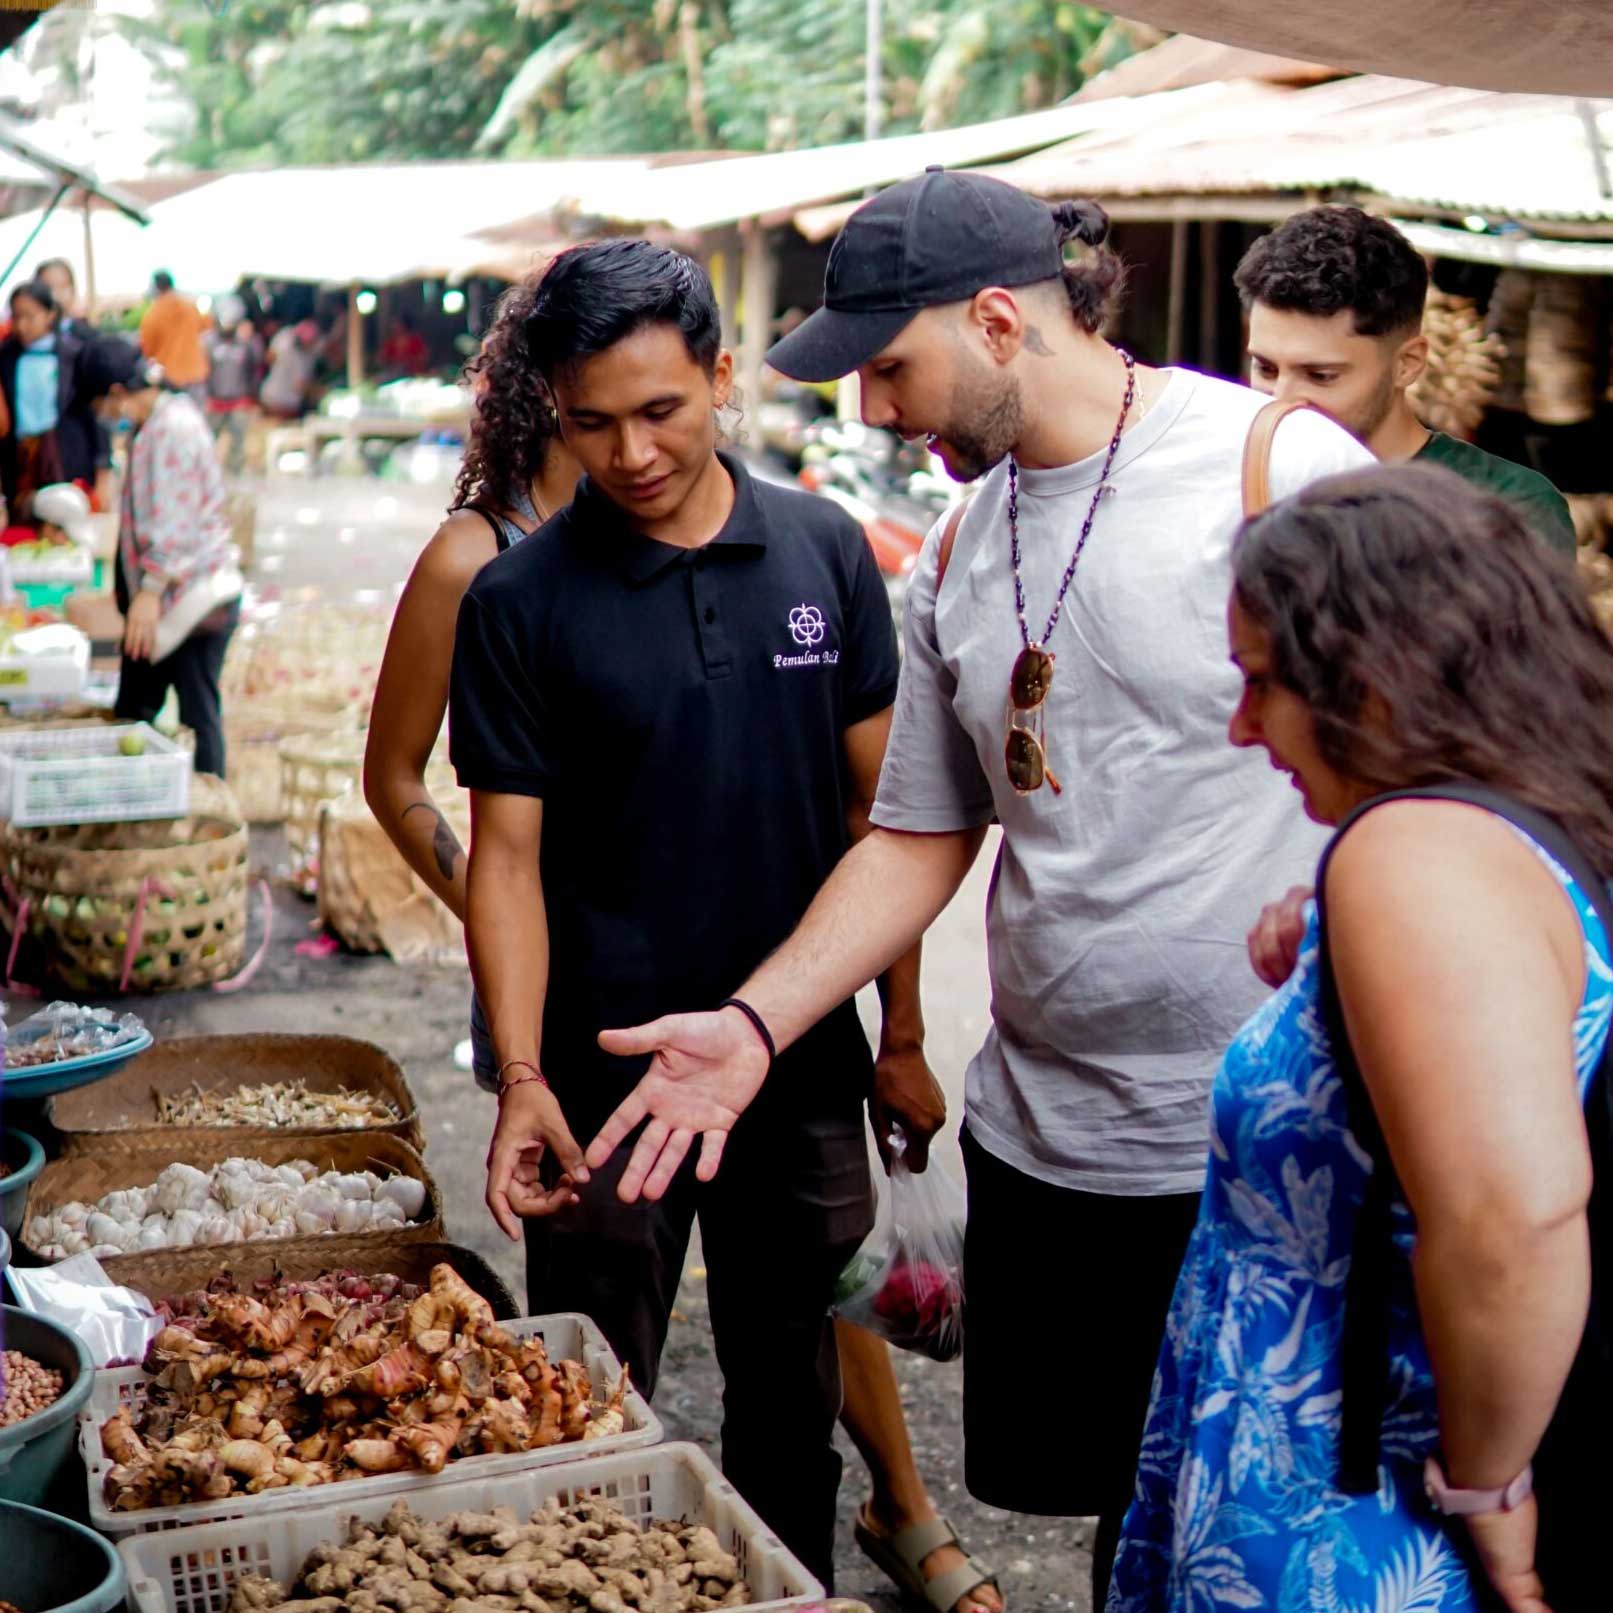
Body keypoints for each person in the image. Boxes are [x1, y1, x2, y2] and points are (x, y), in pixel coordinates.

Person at [574, 169, 1373, 1604]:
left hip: (1262, 1144)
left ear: (999, 320)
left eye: (891, 367)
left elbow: (1430, 766)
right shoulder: (955, 547)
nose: (874, 410)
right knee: (1118, 1522)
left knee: (1283, 1533)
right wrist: (752, 1029)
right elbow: (916, 835)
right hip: (1051, 1146)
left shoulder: (1279, 470)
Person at [446, 239, 998, 1609]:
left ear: (721, 375)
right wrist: (522, 1077)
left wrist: (902, 1034)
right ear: (550, 412)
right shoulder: (519, 601)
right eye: (590, 424)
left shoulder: (823, 551)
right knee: (589, 1401)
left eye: (661, 411)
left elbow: (895, 823)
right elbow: (503, 863)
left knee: (788, 1397)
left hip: (798, 1065)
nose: (629, 453)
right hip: (607, 1083)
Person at [1108, 463, 1609, 1611]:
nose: (1242, 726)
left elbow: (1508, 1220)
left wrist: (1489, 1492)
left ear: (1376, 682)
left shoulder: (1414, 852)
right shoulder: (1523, 816)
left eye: (1263, 683)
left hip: (1360, 1503)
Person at [1236, 204, 1577, 555]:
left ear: (1407, 365)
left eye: (1320, 376)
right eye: (1266, 368)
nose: (1283, 398)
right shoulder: (1229, 484)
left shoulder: (1505, 507)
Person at [80, 339, 241, 776]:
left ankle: (211, 817)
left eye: (100, 403)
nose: (103, 414)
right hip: (172, 597)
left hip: (191, 598)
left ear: (116, 392)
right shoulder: (155, 422)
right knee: (141, 707)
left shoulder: (170, 429)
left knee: (196, 716)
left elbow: (175, 523)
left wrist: (149, 593)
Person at [0, 280, 97, 522]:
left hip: (63, 455)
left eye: (30, 317)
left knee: (64, 520)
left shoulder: (73, 355)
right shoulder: (6, 357)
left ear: (50, 314)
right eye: (17, 317)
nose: (22, 326)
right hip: (22, 460)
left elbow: (92, 414)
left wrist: (102, 468)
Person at [138, 270, 210, 402]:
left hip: (170, 378)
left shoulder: (153, 314)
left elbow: (147, 349)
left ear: (156, 287)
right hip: (196, 373)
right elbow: (206, 325)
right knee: (197, 419)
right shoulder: (190, 306)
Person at [204, 320, 263, 474]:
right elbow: (206, 371)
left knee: (238, 438)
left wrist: (251, 395)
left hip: (239, 399)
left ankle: (235, 470)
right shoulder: (210, 344)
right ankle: (207, 470)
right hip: (216, 399)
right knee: (209, 437)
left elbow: (252, 370)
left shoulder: (244, 346)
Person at [259, 320, 320, 419]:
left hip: (268, 396)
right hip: (284, 406)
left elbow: (269, 358)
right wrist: (319, 391)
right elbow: (300, 386)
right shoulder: (304, 359)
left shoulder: (284, 339)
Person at [377, 313, 430, 379]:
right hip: (395, 377)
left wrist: (411, 362)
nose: (394, 326)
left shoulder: (415, 340)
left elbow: (423, 357)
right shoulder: (390, 342)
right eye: (394, 324)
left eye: (397, 324)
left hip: (414, 376)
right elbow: (381, 359)